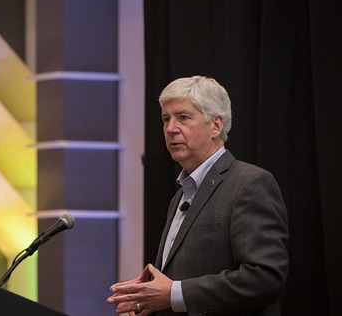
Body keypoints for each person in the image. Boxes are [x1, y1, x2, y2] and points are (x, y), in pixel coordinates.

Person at [107, 76, 289, 315]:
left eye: (183, 117)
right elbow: (180, 281)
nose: (171, 128)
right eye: (165, 119)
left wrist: (173, 293)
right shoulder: (180, 196)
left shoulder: (250, 183)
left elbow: (265, 278)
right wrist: (146, 301)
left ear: (216, 125)